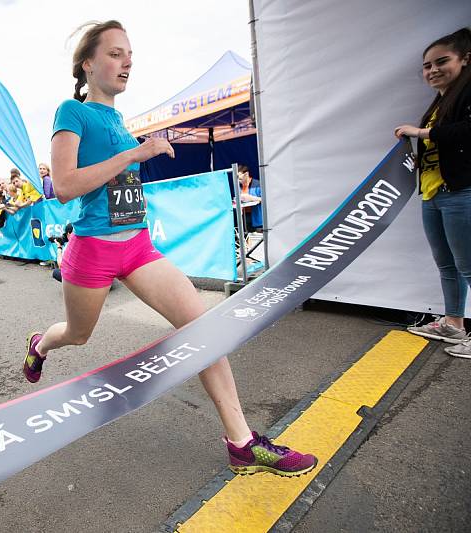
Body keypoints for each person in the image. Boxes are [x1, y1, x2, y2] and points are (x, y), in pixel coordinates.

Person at [22, 20, 316, 477]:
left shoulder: (117, 119)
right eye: (116, 53)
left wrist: (135, 151)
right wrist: (135, 154)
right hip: (93, 249)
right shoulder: (71, 112)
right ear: (88, 64)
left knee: (203, 330)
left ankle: (241, 441)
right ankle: (41, 343)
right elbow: (62, 187)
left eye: (129, 55)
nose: (127, 62)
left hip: (137, 245)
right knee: (78, 334)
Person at [395, 28, 471, 358]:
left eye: (442, 61)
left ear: (465, 60)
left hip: (461, 192)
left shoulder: (466, 94)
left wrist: (421, 131)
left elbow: (465, 133)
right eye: (427, 66)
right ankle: (454, 322)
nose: (433, 70)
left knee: (467, 266)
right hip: (433, 193)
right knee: (447, 266)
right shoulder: (442, 100)